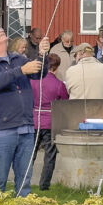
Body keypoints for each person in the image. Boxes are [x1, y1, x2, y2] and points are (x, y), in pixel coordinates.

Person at [0, 22, 50, 197]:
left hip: (26, 127)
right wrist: (21, 70)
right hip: (0, 130)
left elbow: (39, 73)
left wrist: (42, 55)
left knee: (25, 183)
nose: (1, 29)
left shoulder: (18, 59)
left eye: (0, 28)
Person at [30, 53, 69, 191]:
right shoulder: (58, 84)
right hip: (50, 122)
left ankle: (24, 180)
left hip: (33, 120)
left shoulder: (32, 81)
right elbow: (64, 103)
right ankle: (44, 185)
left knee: (30, 154)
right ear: (56, 68)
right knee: (50, 154)